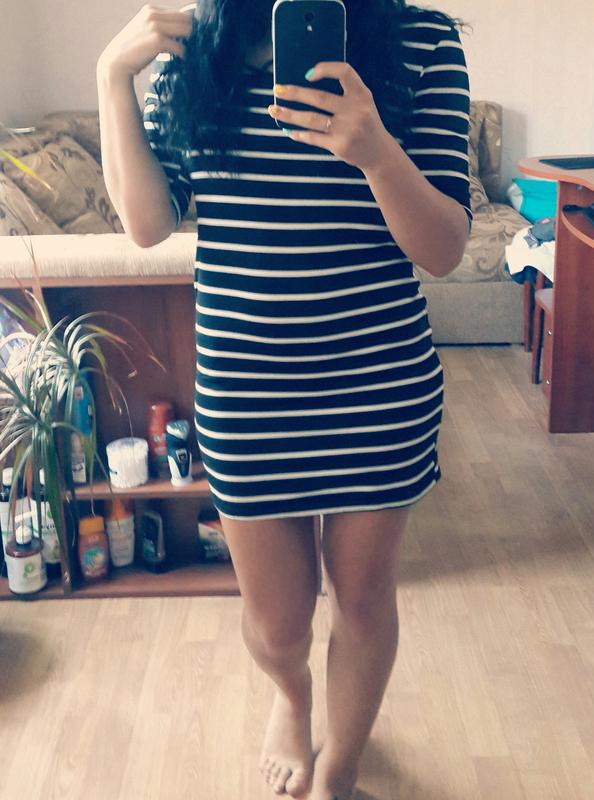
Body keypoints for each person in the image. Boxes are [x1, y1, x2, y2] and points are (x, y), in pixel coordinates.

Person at [97, 2, 472, 798]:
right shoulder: (193, 47)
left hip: (376, 387)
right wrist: (111, 78)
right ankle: (291, 698)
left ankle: (339, 766)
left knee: (363, 600)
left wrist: (376, 154)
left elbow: (443, 248)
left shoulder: (420, 42)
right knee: (276, 624)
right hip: (246, 392)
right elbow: (147, 223)